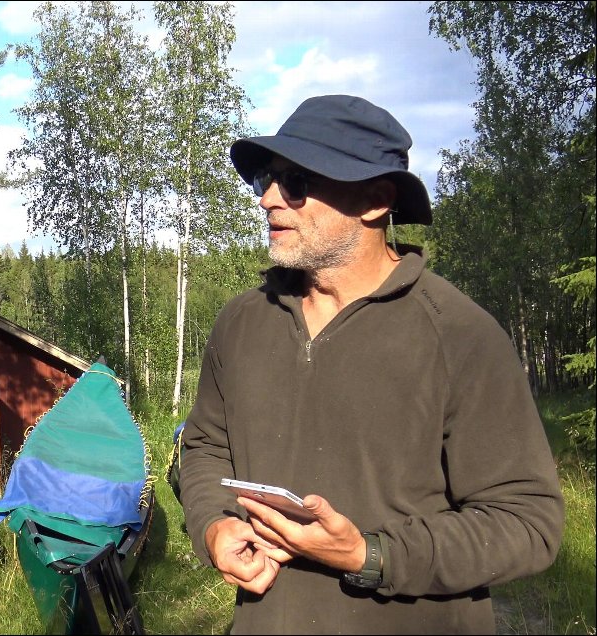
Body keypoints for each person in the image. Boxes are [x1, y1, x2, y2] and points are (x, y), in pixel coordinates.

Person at [176, 94, 564, 634]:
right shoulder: (243, 323)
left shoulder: (460, 336)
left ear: (377, 200)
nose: (267, 198)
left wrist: (371, 556)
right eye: (265, 177)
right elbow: (204, 447)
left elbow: (528, 522)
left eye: (295, 182)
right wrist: (213, 526)